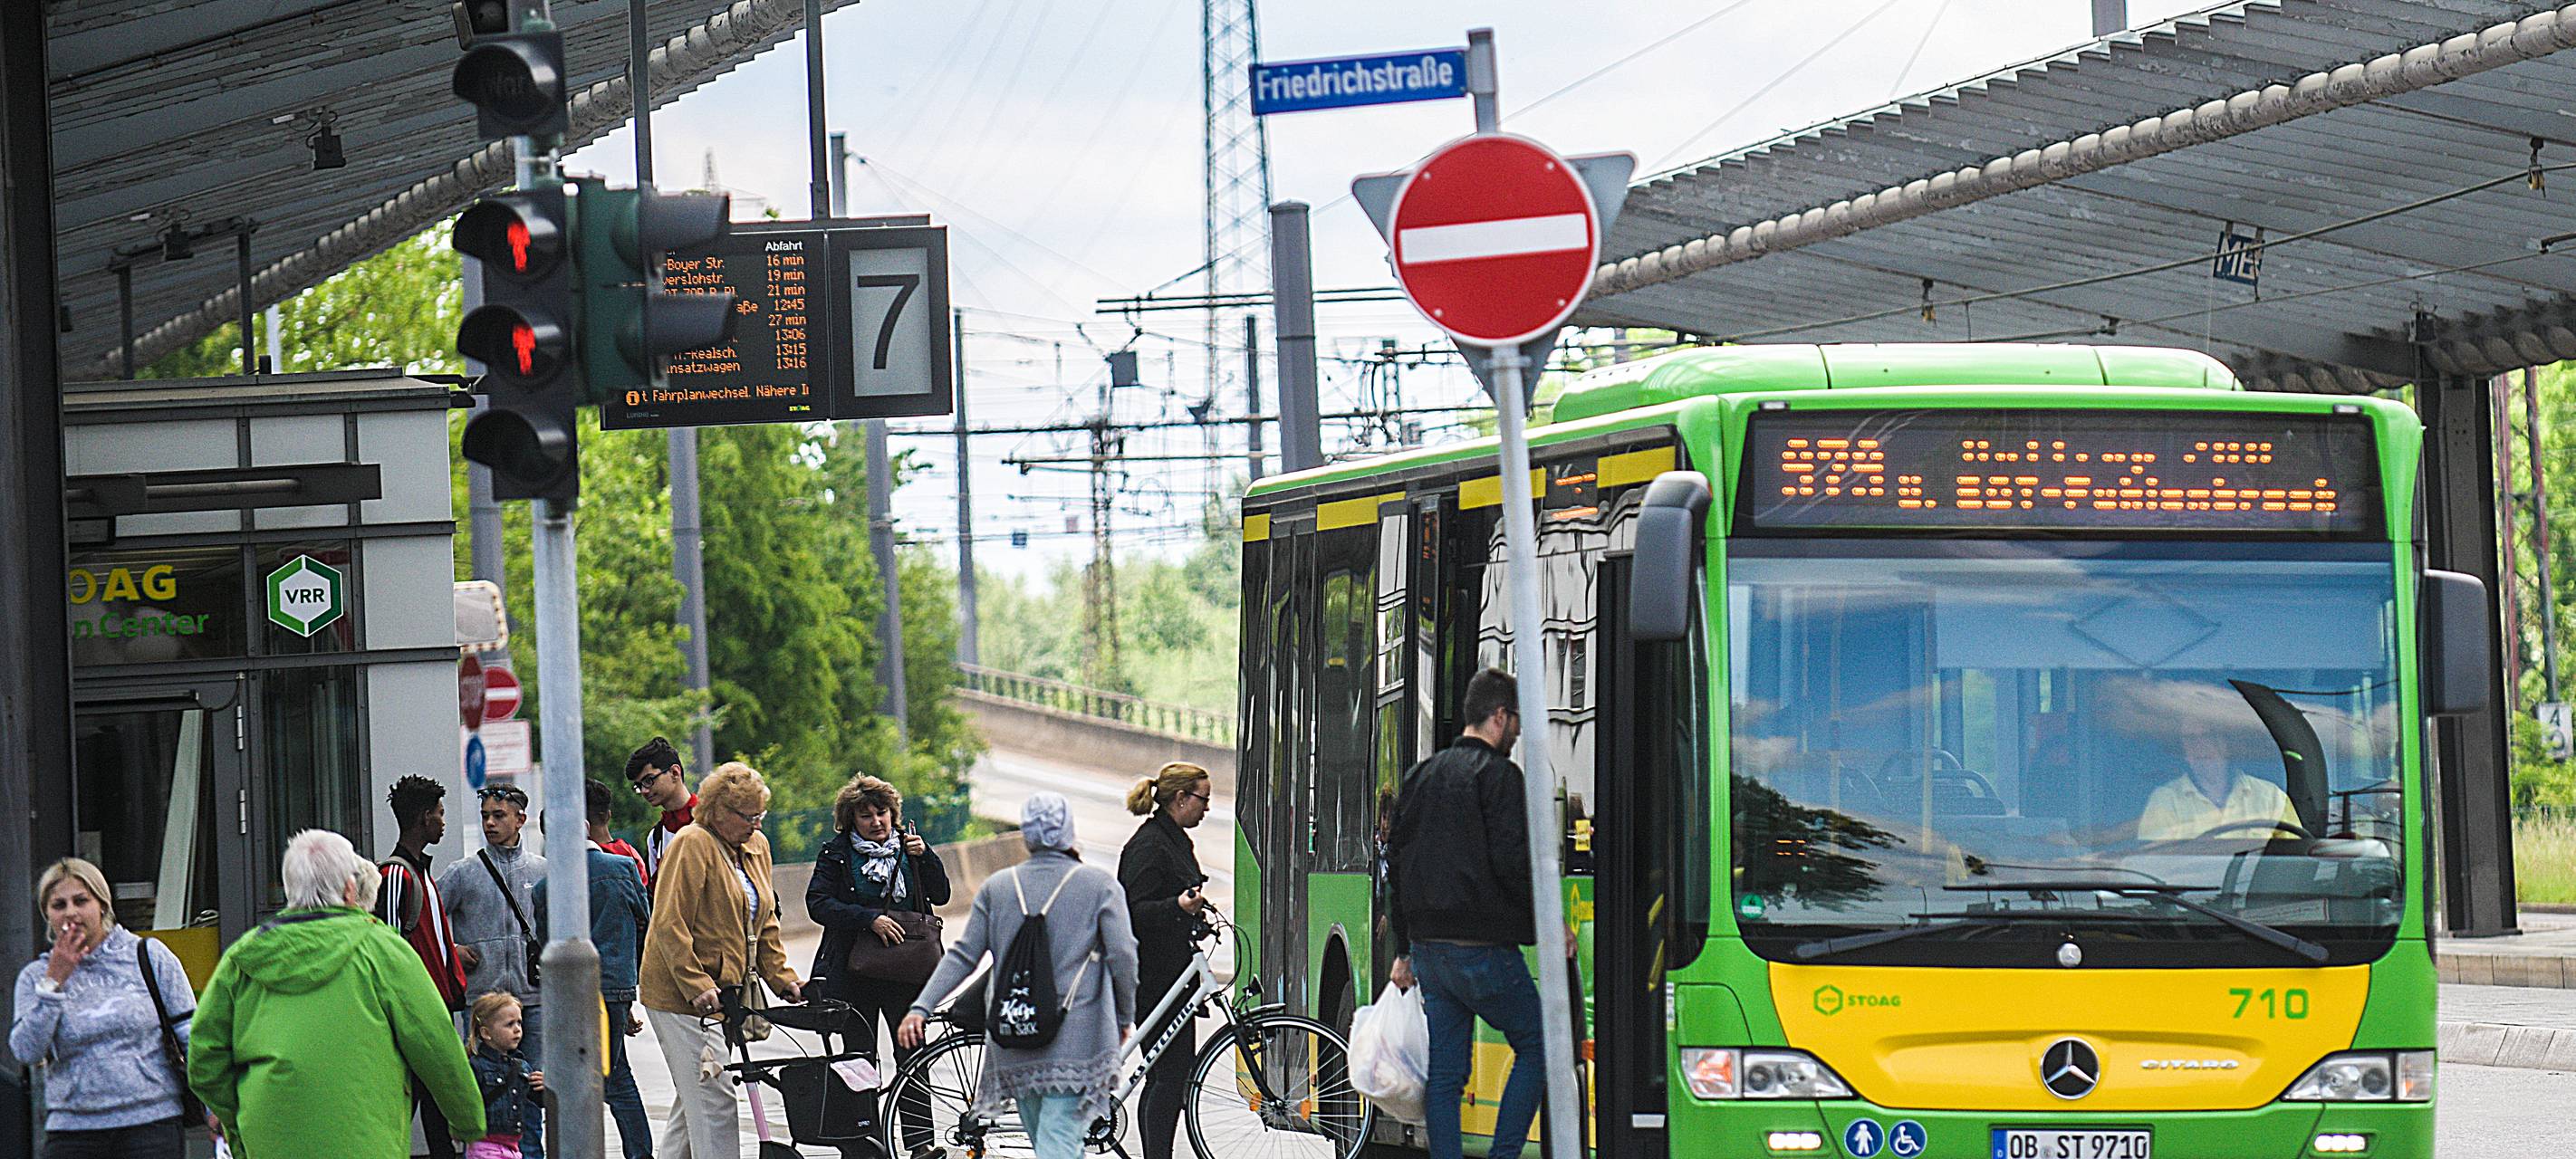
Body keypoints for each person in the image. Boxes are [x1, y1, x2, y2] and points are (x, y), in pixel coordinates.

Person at [186, 829, 485, 1159]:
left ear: (290, 889)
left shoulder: (243, 957)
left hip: (270, 1139)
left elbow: (205, 1060)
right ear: (349, 889)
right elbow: (435, 1044)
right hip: (366, 1139)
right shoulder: (384, 950)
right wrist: (467, 1122)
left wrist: (239, 1123)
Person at [899, 793, 1137, 1159]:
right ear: (1069, 833)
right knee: (1060, 1140)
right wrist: (1123, 1016)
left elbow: (964, 955)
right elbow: (1123, 956)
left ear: (1027, 835)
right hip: (1079, 1035)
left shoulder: (999, 887)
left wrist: (922, 1007)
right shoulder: (1099, 886)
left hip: (1015, 1035)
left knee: (1045, 1137)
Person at [1388, 668, 1550, 1159]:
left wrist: (1403, 950)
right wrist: (1547, 921)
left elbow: (1395, 865)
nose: (1519, 732)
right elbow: (1513, 862)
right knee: (1537, 1043)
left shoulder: (1420, 775)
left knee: (1445, 1073)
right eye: (1517, 721)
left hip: (1430, 952)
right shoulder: (1500, 777)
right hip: (1481, 951)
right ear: (1500, 717)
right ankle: (1503, 1155)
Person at [639, 761, 803, 1159]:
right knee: (714, 1102)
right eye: (749, 817)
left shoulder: (755, 846)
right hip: (680, 997)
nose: (756, 825)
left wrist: (783, 979)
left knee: (693, 1097)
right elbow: (668, 923)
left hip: (726, 993)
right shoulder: (692, 843)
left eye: (760, 816)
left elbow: (764, 921)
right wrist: (697, 985)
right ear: (719, 812)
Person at [10, 857, 198, 1159]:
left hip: (152, 1123)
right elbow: (26, 1051)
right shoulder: (36, 976)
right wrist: (53, 983)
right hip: (74, 1129)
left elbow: (192, 1034)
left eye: (81, 901)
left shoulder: (148, 956)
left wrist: (216, 1105)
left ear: (102, 905)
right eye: (59, 905)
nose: (71, 912)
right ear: (47, 914)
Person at [806, 774, 952, 1159]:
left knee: (913, 1059)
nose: (877, 822)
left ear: (894, 813)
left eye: (882, 813)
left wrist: (927, 858)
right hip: (856, 975)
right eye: (866, 815)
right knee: (858, 1061)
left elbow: (942, 895)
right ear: (850, 819)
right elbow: (817, 903)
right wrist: (867, 919)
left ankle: (919, 1144)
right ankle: (868, 1145)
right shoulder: (836, 853)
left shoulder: (911, 849)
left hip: (906, 974)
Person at [533, 780, 654, 1159]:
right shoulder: (621, 867)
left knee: (583, 1076)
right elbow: (643, 922)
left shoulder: (544, 888)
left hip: (569, 995)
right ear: (586, 828)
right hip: (615, 987)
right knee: (617, 1076)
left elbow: (543, 943)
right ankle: (639, 1153)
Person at [437, 784, 548, 1159]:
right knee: (483, 1094)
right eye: (485, 815)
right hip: (482, 1004)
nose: (489, 822)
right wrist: (451, 952)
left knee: (533, 1093)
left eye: (498, 815)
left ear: (521, 819)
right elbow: (429, 922)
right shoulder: (463, 873)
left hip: (532, 1002)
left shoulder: (541, 870)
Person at [1118, 762, 1213, 1159]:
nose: (1207, 809)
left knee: (1168, 1075)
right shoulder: (1149, 845)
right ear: (1180, 799)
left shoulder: (1173, 839)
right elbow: (1132, 912)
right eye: (1203, 799)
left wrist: (1196, 917)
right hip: (1155, 978)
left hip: (1173, 973)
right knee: (1169, 1077)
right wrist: (1177, 906)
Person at [378, 774, 471, 1159]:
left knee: (433, 1106)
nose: (443, 821)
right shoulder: (398, 875)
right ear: (423, 818)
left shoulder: (421, 875)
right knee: (416, 1104)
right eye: (440, 813)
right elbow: (390, 946)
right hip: (417, 1015)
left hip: (433, 1009)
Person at [2137, 720, 2301, 842]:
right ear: (2183, 751)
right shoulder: (2164, 800)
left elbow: (2295, 860)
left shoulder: (2271, 797)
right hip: (2188, 888)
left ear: (2226, 744)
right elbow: (2153, 866)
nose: (2200, 746)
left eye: (2209, 736)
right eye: (2191, 739)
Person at [466, 993, 545, 1159]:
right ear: (486, 1033)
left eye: (519, 1023)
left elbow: (540, 1101)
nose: (517, 1029)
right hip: (485, 1145)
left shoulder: (520, 1065)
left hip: (513, 1147)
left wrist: (545, 1085)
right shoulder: (476, 1066)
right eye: (509, 1024)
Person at [625, 737, 696, 890]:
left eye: (649, 780)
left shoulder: (714, 821)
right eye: (639, 785)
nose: (644, 790)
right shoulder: (655, 838)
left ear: (675, 773)